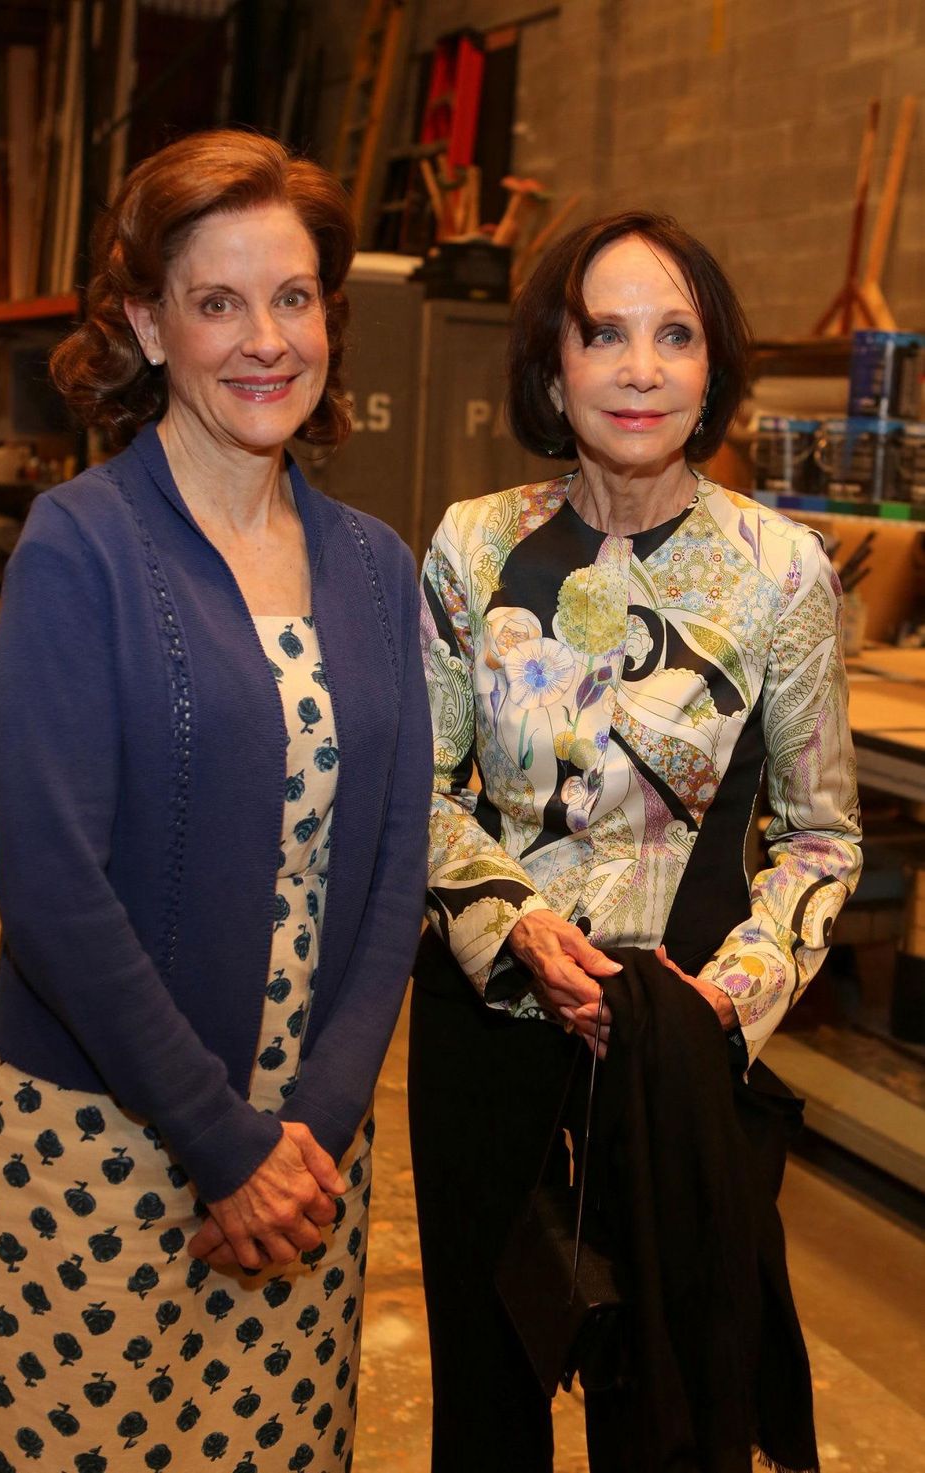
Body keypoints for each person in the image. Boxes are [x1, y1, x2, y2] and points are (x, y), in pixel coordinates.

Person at [0, 129, 432, 1473]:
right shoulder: (82, 547)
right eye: (216, 301)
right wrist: (220, 1143)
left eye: (291, 298)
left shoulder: (374, 566)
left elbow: (399, 852)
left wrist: (312, 1128)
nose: (264, 340)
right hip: (109, 1138)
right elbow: (56, 891)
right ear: (145, 322)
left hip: (310, 1152)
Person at [410, 211, 862, 1471]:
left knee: (666, 1415)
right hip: (487, 1037)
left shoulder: (779, 571)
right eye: (602, 332)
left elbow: (821, 840)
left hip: (674, 1060)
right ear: (551, 366)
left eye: (674, 334)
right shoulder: (471, 543)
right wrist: (513, 928)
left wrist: (723, 1003)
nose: (639, 366)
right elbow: (417, 793)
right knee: (486, 1409)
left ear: (712, 366)